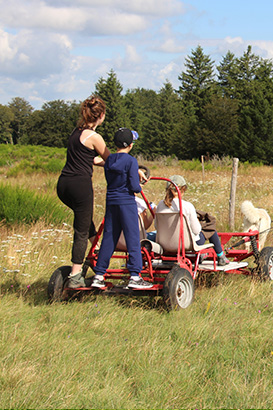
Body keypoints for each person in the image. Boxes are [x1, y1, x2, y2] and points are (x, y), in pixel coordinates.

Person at [57, 95, 111, 288]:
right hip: (80, 185)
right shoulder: (95, 137)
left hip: (63, 184)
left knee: (85, 220)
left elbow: (92, 159)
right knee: (81, 231)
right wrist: (134, 169)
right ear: (101, 115)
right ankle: (75, 275)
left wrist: (103, 164)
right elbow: (113, 160)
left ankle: (96, 251)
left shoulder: (76, 132)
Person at [91, 128, 153, 289]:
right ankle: (135, 276)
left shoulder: (110, 159)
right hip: (126, 202)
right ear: (131, 145)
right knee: (133, 238)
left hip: (111, 201)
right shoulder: (131, 161)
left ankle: (99, 275)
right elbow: (134, 186)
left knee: (109, 238)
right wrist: (139, 185)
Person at [156, 175, 230, 266]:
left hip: (165, 244)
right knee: (210, 229)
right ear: (183, 189)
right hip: (187, 244)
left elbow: (157, 226)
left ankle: (207, 255)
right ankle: (221, 256)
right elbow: (196, 230)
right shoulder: (187, 206)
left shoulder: (160, 205)